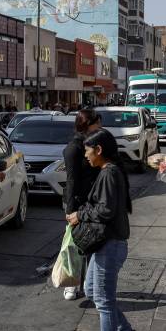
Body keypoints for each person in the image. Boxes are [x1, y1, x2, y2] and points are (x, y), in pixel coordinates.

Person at [68, 130, 144, 331]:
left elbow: (106, 210)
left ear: (99, 150)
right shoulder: (107, 171)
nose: (86, 157)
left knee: (103, 298)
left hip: (110, 244)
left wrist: (79, 215)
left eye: (88, 152)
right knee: (92, 290)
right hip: (107, 244)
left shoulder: (109, 173)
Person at [61, 108, 103, 301]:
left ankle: (88, 282)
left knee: (92, 243)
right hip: (77, 202)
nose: (100, 127)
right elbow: (71, 181)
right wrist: (70, 211)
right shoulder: (74, 148)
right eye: (97, 124)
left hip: (94, 201)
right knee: (75, 244)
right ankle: (72, 283)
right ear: (87, 125)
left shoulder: (96, 143)